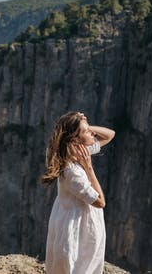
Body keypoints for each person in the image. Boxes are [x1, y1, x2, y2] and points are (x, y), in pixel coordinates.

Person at [41, 111, 115, 274]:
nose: (93, 133)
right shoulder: (72, 172)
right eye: (87, 132)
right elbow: (100, 202)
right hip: (76, 235)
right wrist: (89, 169)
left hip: (82, 230)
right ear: (75, 140)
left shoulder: (79, 153)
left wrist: (82, 124)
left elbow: (110, 135)